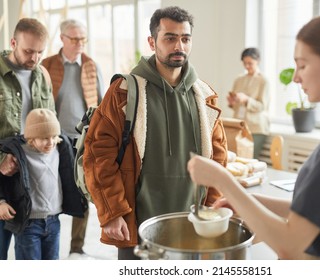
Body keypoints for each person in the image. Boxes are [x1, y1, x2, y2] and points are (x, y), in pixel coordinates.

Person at [187, 10, 320, 260]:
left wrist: (223, 181)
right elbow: (316, 213)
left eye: (302, 65)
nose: (295, 77)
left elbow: (291, 245)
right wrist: (246, 201)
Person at [83, 6, 228, 260]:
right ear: (152, 42)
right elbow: (97, 154)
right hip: (137, 226)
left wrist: (212, 209)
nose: (179, 46)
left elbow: (218, 160)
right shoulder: (124, 92)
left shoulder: (204, 96)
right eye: (170, 38)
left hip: (191, 227)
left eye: (185, 38)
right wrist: (113, 212)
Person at [41, 19, 104, 260]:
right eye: (74, 39)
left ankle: (76, 248)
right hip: (54, 139)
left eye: (83, 39)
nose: (79, 44)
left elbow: (100, 102)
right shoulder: (47, 65)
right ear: (62, 38)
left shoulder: (90, 65)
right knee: (50, 190)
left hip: (83, 140)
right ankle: (49, 243)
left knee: (83, 191)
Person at [0, 18, 55, 260]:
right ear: (13, 42)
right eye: (28, 51)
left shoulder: (42, 74)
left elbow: (51, 122)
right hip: (2, 175)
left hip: (32, 177)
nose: (34, 58)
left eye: (40, 52)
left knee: (30, 253)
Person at [0, 109, 85, 260]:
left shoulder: (61, 147)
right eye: (44, 138)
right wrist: (1, 202)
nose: (50, 142)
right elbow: (3, 180)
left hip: (53, 222)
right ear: (31, 138)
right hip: (28, 225)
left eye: (54, 136)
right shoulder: (17, 153)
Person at [227, 47, 269, 159]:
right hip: (239, 125)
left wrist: (247, 100)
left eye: (250, 63)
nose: (247, 66)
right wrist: (232, 102)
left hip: (256, 128)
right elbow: (236, 106)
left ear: (258, 61)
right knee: (236, 159)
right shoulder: (239, 79)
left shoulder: (263, 81)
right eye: (245, 63)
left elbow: (262, 106)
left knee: (250, 160)